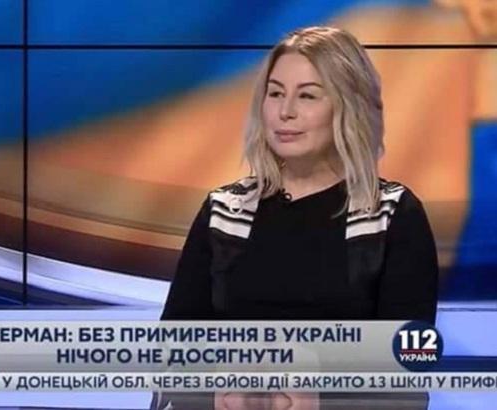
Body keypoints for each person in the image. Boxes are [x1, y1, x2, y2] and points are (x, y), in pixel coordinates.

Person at [154, 26, 439, 410]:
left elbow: (407, 372)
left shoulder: (391, 216)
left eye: (307, 95)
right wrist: (219, 391)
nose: (285, 111)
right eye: (275, 93)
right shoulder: (225, 212)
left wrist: (317, 395)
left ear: (347, 106)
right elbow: (173, 353)